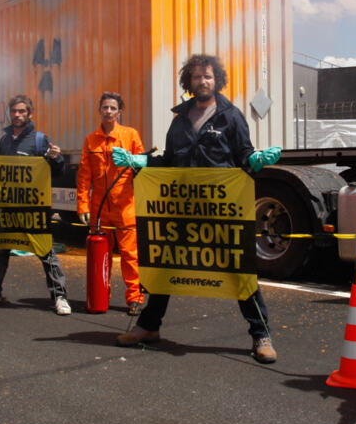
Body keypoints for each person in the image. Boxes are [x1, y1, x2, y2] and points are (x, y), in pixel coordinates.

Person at [112, 54, 282, 363]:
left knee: (237, 271)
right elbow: (169, 160)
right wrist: (142, 161)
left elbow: (244, 155)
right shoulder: (179, 121)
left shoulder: (231, 116)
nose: (202, 81)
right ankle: (148, 327)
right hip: (182, 208)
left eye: (207, 76)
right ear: (187, 82)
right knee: (167, 265)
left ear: (217, 79)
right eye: (196, 77)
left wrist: (255, 159)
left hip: (221, 211)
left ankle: (261, 334)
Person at [0, 94, 72, 315]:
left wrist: (57, 158)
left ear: (29, 114)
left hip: (32, 210)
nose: (17, 115)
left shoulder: (39, 140)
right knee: (1, 249)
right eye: (14, 111)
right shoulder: (4, 140)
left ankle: (60, 296)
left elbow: (58, 172)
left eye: (22, 111)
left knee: (45, 251)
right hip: (6, 208)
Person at [76, 91, 146, 314]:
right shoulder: (91, 140)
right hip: (99, 208)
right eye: (105, 107)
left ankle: (134, 297)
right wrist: (82, 206)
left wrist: (134, 161)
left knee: (130, 255)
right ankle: (100, 296)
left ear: (119, 112)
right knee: (100, 255)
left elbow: (144, 165)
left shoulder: (130, 135)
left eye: (112, 108)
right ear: (99, 110)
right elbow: (84, 176)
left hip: (125, 205)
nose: (108, 111)